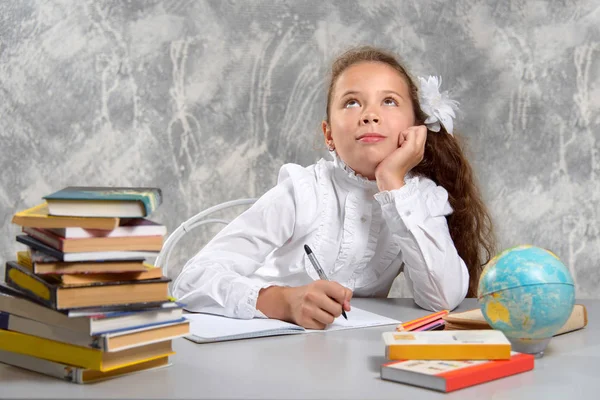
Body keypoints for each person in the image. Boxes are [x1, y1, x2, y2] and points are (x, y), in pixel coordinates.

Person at [172, 45, 495, 329]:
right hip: (262, 345)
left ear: (415, 130)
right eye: (352, 103)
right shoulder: (302, 190)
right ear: (329, 135)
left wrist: (392, 182)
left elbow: (442, 299)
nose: (370, 115)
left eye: (389, 101)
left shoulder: (418, 198)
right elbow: (191, 280)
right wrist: (282, 302)